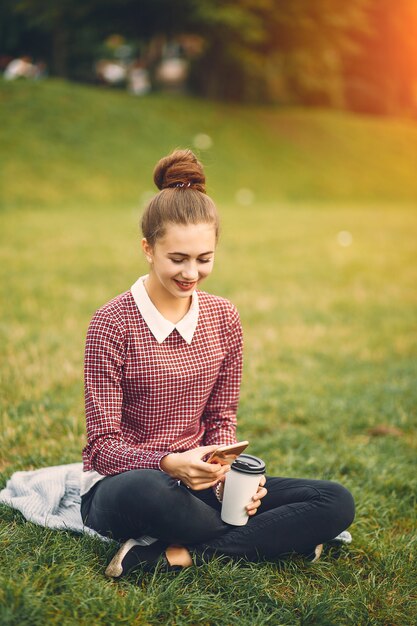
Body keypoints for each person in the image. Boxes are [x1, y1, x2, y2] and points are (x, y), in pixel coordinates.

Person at [80, 149, 355, 577]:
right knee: (156, 494)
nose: (191, 273)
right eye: (178, 258)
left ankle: (179, 555)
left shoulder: (224, 317)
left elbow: (221, 417)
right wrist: (169, 463)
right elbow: (100, 448)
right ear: (148, 249)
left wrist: (224, 472)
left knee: (335, 500)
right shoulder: (111, 324)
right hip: (131, 485)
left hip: (204, 488)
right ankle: (276, 540)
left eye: (204, 259)